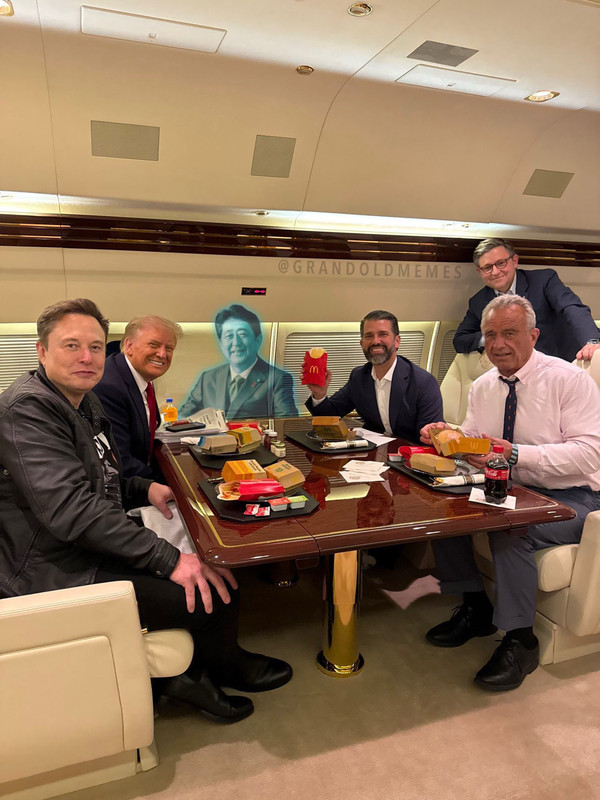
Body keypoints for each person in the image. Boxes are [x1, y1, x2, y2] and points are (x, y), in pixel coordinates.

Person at [0, 298, 292, 723]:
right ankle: (200, 676)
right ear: (42, 351)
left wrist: (145, 488)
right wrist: (168, 559)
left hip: (80, 546)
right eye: (71, 345)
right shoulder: (28, 410)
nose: (87, 357)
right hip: (51, 567)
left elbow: (102, 475)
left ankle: (206, 666)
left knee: (215, 564)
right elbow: (71, 509)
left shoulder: (81, 401)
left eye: (95, 347)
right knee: (207, 586)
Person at [421, 295, 600, 691]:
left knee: (510, 528)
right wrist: (448, 436)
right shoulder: (483, 386)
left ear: (533, 336)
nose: (498, 344)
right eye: (490, 335)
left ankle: (521, 641)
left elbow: (590, 454)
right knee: (444, 512)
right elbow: (476, 440)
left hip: (575, 497)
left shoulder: (569, 380)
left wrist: (515, 453)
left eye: (509, 333)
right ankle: (475, 607)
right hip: (511, 487)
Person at [303, 310, 443, 443]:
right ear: (362, 344)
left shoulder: (423, 382)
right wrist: (319, 394)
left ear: (397, 341)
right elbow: (329, 417)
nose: (376, 341)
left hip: (407, 454)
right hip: (372, 452)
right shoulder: (359, 377)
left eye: (383, 334)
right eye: (369, 336)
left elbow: (430, 437)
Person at [453, 238, 600, 363]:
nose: (495, 272)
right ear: (480, 271)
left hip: (562, 362)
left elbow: (572, 308)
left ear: (514, 261)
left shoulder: (543, 281)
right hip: (517, 372)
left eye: (501, 263)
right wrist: (492, 337)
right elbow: (459, 340)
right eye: (487, 267)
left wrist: (592, 341)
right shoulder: (479, 301)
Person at [94, 315, 182, 480]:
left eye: (169, 348)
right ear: (129, 346)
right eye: (153, 345)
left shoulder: (142, 376)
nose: (162, 354)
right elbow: (119, 461)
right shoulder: (110, 387)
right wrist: (168, 483)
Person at [179, 304, 298, 420]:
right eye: (229, 336)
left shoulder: (277, 378)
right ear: (221, 344)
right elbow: (183, 417)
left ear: (258, 340)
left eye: (242, 334)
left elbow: (286, 424)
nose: (236, 343)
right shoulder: (208, 378)